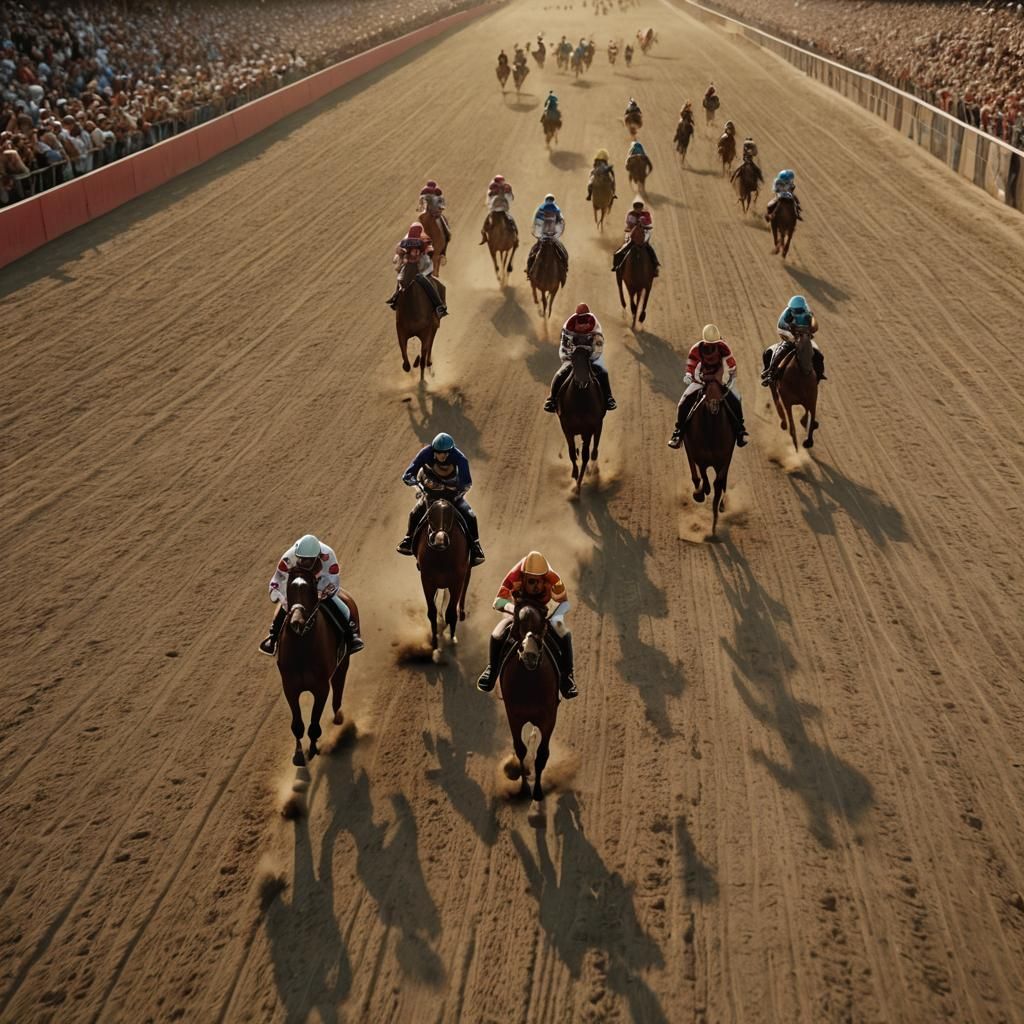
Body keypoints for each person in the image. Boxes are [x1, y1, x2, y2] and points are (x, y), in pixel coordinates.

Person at [476, 550, 577, 699]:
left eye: (540, 581)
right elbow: (497, 602)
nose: (536, 586)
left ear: (545, 579)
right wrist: (514, 610)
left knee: (565, 634)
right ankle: (492, 670)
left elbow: (565, 603)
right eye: (531, 581)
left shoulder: (554, 579)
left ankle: (567, 677)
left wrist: (553, 618)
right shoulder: (514, 575)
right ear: (523, 579)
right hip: (519, 609)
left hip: (543, 612)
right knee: (496, 634)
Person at [259, 534, 364, 656]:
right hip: (296, 579)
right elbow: (277, 582)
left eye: (309, 560)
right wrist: (283, 599)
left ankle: (351, 634)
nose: (305, 562)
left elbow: (333, 580)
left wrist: (322, 593)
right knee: (285, 605)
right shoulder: (288, 558)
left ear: (318, 556)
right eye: (302, 559)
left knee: (333, 600)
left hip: (321, 580)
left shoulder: (328, 555)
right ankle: (273, 636)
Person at [397, 433, 485, 565]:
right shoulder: (425, 453)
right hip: (430, 495)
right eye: (438, 452)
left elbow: (467, 483)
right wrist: (413, 481)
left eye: (445, 453)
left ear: (451, 451)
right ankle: (408, 540)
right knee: (414, 513)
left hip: (453, 496)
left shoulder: (460, 459)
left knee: (470, 515)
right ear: (433, 450)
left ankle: (476, 547)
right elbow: (408, 474)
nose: (441, 456)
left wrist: (457, 493)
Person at [667, 324, 748, 448]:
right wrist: (689, 375)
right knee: (682, 402)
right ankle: (678, 433)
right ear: (704, 341)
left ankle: (740, 431)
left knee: (737, 398)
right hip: (700, 382)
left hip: (719, 382)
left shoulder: (723, 347)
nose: (711, 345)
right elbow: (691, 365)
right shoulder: (696, 349)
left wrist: (731, 377)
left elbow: (731, 363)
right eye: (709, 343)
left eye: (714, 343)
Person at [544, 303, 616, 412]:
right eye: (580, 318)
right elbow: (564, 345)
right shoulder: (569, 325)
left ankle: (608, 398)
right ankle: (552, 399)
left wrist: (592, 357)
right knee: (561, 373)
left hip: (591, 356)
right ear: (576, 316)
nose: (582, 322)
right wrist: (570, 356)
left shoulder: (595, 325)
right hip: (573, 356)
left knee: (602, 372)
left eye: (585, 318)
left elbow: (599, 344)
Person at [386, 223, 447, 316]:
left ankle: (438, 305)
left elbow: (430, 251)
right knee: (401, 277)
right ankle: (395, 296)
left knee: (422, 279)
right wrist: (402, 255)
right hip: (409, 264)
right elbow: (397, 254)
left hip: (424, 264)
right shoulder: (405, 240)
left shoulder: (425, 239)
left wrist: (424, 252)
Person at [762, 295, 825, 384]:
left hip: (805, 337)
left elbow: (814, 328)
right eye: (795, 310)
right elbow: (780, 328)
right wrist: (792, 338)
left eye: (799, 310)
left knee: (818, 353)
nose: (797, 312)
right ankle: (770, 372)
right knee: (782, 350)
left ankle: (819, 374)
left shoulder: (808, 312)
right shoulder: (786, 314)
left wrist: (812, 318)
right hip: (789, 336)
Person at [612, 198, 660, 276]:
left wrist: (643, 221)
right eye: (636, 208)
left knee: (649, 249)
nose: (638, 210)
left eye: (640, 208)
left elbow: (649, 221)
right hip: (633, 236)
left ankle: (655, 267)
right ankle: (617, 266)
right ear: (634, 208)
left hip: (642, 236)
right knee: (620, 251)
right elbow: (629, 223)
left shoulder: (646, 214)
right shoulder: (631, 214)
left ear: (642, 208)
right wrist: (634, 224)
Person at [525, 194, 568, 279]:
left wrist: (538, 235)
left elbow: (536, 223)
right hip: (553, 239)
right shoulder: (557, 209)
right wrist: (556, 235)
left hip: (543, 238)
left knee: (532, 254)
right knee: (563, 254)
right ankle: (564, 273)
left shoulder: (541, 209)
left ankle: (529, 272)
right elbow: (561, 223)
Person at [481, 173, 516, 243]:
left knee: (485, 224)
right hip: (504, 209)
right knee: (512, 222)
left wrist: (489, 206)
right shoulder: (507, 186)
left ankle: (484, 236)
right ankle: (515, 237)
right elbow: (511, 198)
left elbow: (488, 200)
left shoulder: (491, 187)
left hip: (493, 210)